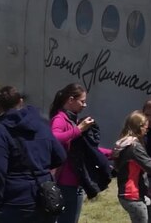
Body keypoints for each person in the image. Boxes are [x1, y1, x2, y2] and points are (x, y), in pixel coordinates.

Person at [0, 86, 66, 223]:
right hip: (45, 198)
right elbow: (60, 156)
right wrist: (41, 170)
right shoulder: (42, 126)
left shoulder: (1, 133)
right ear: (21, 101)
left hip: (16, 203)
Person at [49, 83, 96, 223]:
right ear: (70, 100)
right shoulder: (60, 119)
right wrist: (79, 129)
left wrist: (112, 153)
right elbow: (54, 138)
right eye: (82, 101)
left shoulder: (71, 119)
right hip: (65, 183)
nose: (85, 105)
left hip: (75, 181)